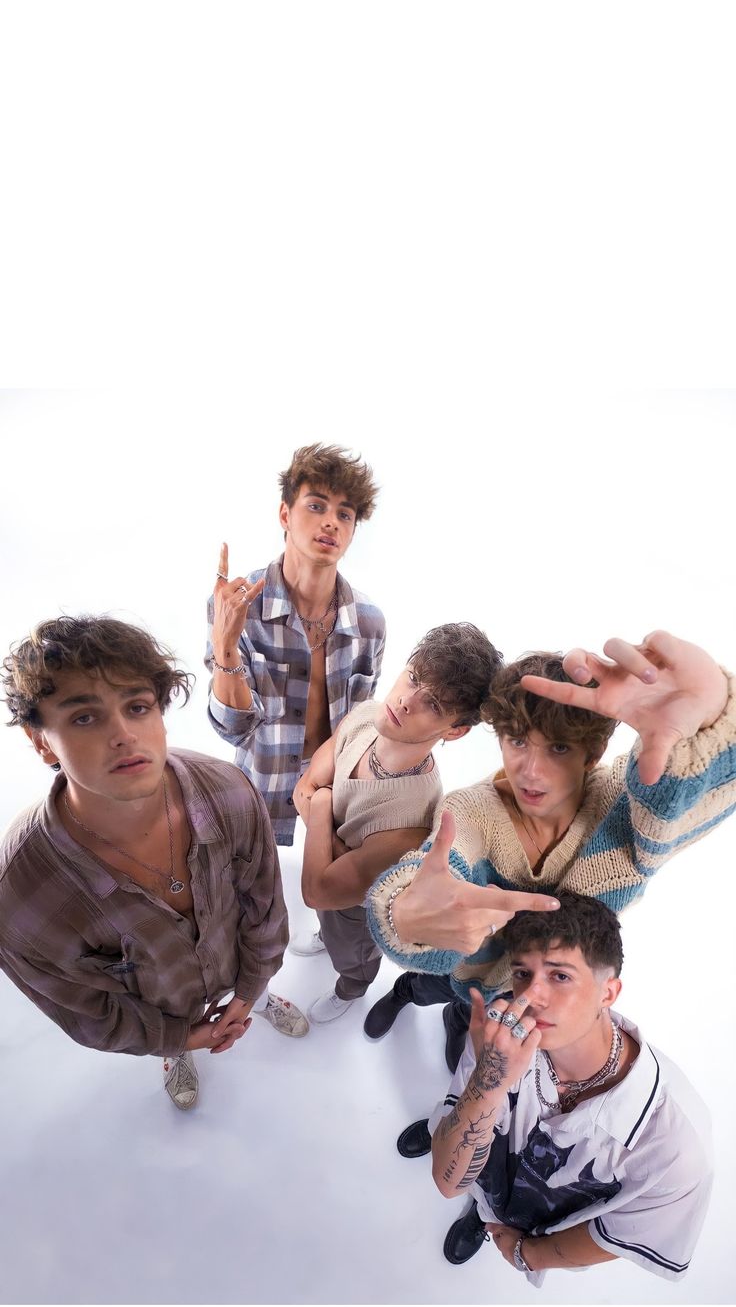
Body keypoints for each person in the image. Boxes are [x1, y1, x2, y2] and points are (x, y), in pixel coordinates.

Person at [364, 631, 736, 1079]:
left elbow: (672, 802)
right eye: (517, 741)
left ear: (593, 752)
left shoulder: (619, 806)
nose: (531, 771)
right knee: (432, 987)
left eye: (558, 748)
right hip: (462, 967)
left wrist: (715, 714)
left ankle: (456, 1022)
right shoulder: (472, 811)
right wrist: (403, 916)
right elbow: (431, 870)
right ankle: (404, 992)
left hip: (518, 990)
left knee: (471, 1021)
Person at [0, 615, 297, 1110]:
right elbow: (89, 1013)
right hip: (163, 1007)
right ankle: (177, 1054)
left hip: (237, 966)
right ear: (39, 740)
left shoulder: (229, 792)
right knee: (177, 1036)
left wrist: (251, 987)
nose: (123, 735)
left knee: (255, 986)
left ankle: (259, 1001)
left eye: (137, 706)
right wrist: (178, 1037)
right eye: (84, 717)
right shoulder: (19, 900)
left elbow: (264, 906)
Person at [428, 892, 712, 1284]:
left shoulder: (676, 1145)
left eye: (559, 976)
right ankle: (483, 1213)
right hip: (487, 1170)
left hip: (544, 1217)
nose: (529, 997)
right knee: (478, 1182)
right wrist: (487, 1083)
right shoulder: (502, 1033)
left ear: (608, 992)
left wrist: (526, 1254)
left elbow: (625, 1229)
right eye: (522, 973)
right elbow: (446, 1181)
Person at [293, 624, 550, 1024]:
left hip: (358, 914)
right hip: (336, 889)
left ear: (456, 730)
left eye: (432, 703)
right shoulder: (366, 716)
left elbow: (317, 889)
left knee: (353, 955)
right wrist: (331, 839)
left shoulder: (412, 820)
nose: (406, 700)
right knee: (329, 928)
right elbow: (301, 786)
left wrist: (323, 801)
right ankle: (326, 940)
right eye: (412, 677)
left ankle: (350, 988)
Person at [205, 443, 384, 861]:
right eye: (316, 506)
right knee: (246, 912)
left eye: (345, 514)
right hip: (259, 787)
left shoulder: (369, 622)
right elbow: (232, 729)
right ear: (285, 514)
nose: (331, 524)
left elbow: (360, 728)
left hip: (338, 793)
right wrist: (224, 646)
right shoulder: (238, 606)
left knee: (351, 916)